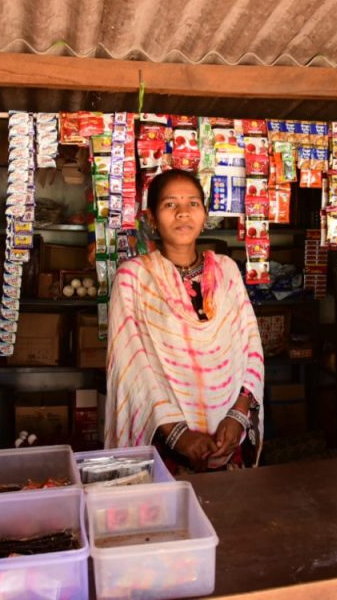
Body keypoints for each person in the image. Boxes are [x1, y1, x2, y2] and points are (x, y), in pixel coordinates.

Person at [104, 169, 264, 472]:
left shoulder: (227, 270)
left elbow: (251, 348)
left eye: (193, 203)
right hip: (163, 445)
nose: (182, 213)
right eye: (170, 204)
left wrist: (238, 414)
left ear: (204, 214)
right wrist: (177, 434)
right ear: (152, 218)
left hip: (228, 437)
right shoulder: (133, 277)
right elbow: (131, 367)